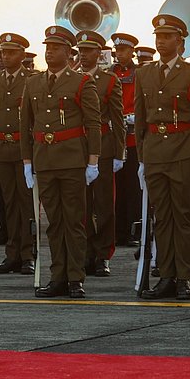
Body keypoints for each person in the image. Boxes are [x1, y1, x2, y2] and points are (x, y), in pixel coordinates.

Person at [135, 15, 190, 301]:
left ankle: (183, 275)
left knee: (183, 216)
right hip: (155, 151)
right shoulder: (144, 73)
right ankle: (166, 275)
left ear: (180, 41)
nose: (160, 41)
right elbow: (141, 119)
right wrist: (142, 157)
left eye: (167, 36)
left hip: (183, 151)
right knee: (162, 217)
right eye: (158, 35)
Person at [20, 25, 101, 299]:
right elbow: (26, 126)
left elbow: (93, 123)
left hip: (72, 160)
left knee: (74, 222)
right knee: (53, 222)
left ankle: (75, 278)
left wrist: (93, 161)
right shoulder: (33, 83)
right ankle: (58, 277)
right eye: (47, 47)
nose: (49, 51)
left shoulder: (81, 82)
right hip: (44, 159)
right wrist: (27, 161)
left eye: (55, 47)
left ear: (69, 52)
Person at [74, 31, 123, 277]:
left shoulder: (109, 80)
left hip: (103, 146)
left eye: (88, 50)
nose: (83, 54)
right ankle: (85, 253)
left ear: (99, 53)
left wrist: (119, 153)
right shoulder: (71, 78)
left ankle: (103, 254)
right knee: (81, 205)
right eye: (80, 50)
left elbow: (117, 118)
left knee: (104, 204)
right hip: (76, 147)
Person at [0, 33, 35, 275]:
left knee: (26, 204)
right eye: (3, 53)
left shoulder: (32, 80)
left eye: (11, 52)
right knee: (8, 204)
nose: (5, 57)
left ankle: (27, 254)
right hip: (3, 149)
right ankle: (12, 253)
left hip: (24, 150)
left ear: (23, 55)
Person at [109, 33, 141, 247]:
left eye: (123, 50)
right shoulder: (108, 73)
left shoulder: (140, 73)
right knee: (115, 189)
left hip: (133, 138)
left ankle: (132, 230)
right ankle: (117, 231)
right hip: (113, 138)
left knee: (133, 187)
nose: (119, 54)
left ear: (132, 52)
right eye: (117, 50)